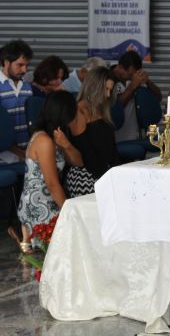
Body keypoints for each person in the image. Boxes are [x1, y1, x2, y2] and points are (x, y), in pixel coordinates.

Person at [16, 91, 83, 253]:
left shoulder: (55, 135)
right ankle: (28, 237)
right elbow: (52, 184)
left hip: (49, 198)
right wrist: (68, 211)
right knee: (77, 237)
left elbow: (78, 162)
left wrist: (66, 145)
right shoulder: (44, 140)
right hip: (38, 204)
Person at [64, 67, 120, 197]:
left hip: (102, 171)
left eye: (110, 90)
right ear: (93, 87)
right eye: (105, 89)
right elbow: (84, 150)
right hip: (86, 175)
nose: (108, 95)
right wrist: (106, 178)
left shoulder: (100, 110)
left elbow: (111, 148)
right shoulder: (79, 110)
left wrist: (116, 173)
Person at [111, 50, 162, 143]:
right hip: (116, 138)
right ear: (120, 67)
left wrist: (147, 81)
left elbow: (158, 97)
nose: (132, 77)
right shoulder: (108, 80)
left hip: (134, 136)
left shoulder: (132, 79)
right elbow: (116, 107)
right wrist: (132, 86)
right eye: (130, 74)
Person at [0, 39, 34, 164]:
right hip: (4, 157)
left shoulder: (27, 87)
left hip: (27, 153)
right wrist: (16, 151)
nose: (24, 70)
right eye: (20, 65)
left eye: (27, 65)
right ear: (6, 62)